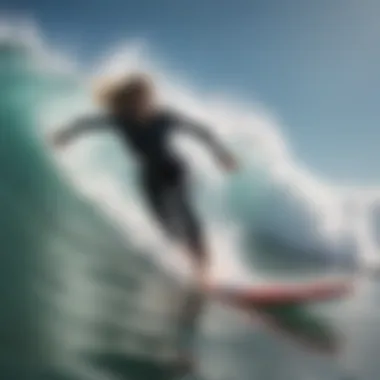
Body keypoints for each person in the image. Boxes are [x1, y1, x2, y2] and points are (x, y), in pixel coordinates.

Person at [51, 73, 238, 292]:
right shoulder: (120, 120)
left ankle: (204, 270)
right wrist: (66, 134)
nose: (142, 102)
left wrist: (221, 154)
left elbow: (201, 131)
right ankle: (193, 262)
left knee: (183, 209)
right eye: (136, 99)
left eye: (145, 97)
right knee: (164, 224)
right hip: (150, 176)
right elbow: (88, 123)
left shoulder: (164, 118)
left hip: (173, 169)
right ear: (128, 101)